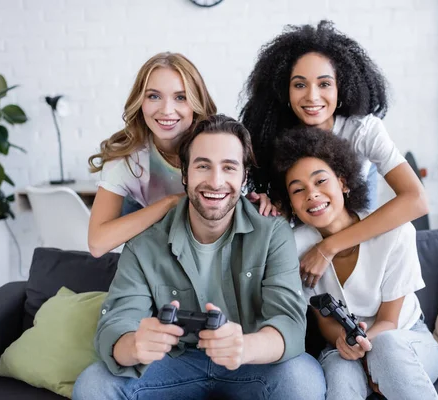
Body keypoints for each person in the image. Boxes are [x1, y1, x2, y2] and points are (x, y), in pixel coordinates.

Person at [73, 115, 326, 400]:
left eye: (228, 168)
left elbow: (290, 323)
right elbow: (116, 323)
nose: (216, 182)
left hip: (250, 361)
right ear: (185, 174)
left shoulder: (272, 233)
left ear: (244, 176)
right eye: (203, 166)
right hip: (173, 363)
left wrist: (244, 346)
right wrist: (134, 345)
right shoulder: (145, 242)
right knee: (93, 384)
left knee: (302, 379)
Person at [240, 20, 429, 289]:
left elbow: (417, 200)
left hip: (349, 220)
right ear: (285, 90)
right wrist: (271, 204)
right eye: (299, 85)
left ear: (342, 87)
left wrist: (328, 247)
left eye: (324, 83)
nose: (312, 96)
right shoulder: (271, 135)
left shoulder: (363, 131)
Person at [270, 126, 438, 400]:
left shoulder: (396, 232)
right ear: (290, 203)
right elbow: (323, 320)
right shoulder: (294, 246)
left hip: (403, 338)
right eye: (298, 189)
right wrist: (345, 342)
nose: (311, 194)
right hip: (343, 345)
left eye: (320, 181)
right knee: (339, 370)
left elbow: (389, 321)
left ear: (344, 182)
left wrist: (366, 349)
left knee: (384, 346)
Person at [86, 52, 217, 257]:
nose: (166, 110)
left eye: (180, 97)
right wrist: (171, 202)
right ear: (140, 101)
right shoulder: (128, 158)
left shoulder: (219, 146)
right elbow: (97, 243)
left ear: (196, 102)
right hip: (158, 257)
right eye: (154, 96)